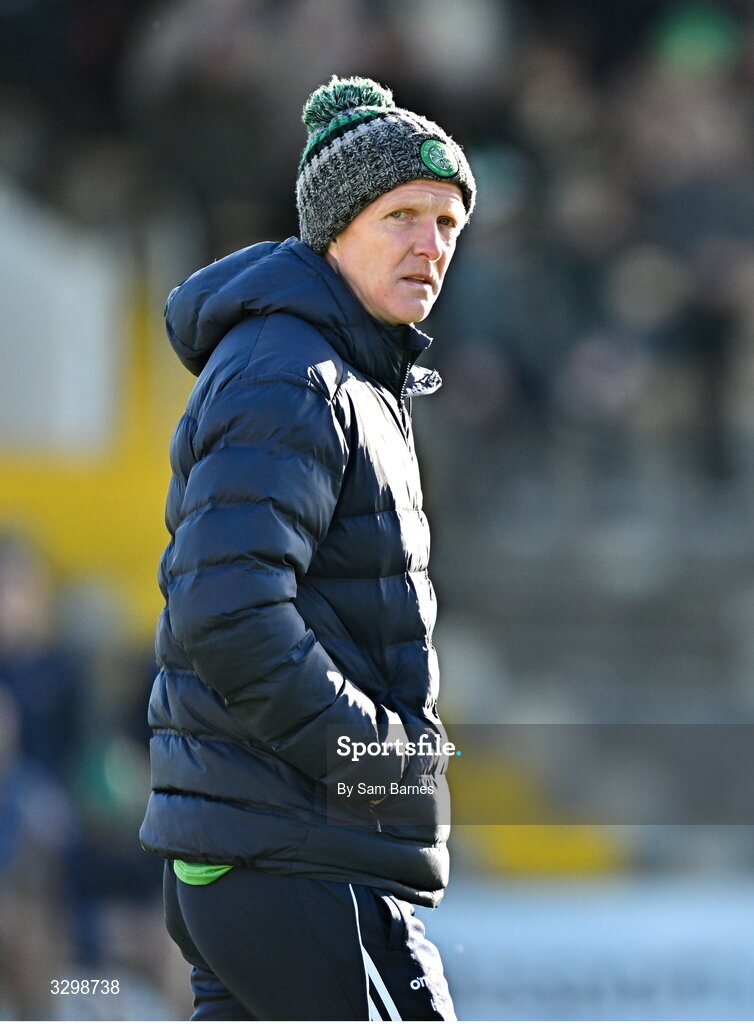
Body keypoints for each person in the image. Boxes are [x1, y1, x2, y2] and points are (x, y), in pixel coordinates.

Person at [140, 74, 476, 1021]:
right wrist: (378, 762)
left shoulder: (346, 369)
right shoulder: (295, 370)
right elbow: (227, 614)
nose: (430, 245)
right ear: (335, 228)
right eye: (401, 215)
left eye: (448, 222)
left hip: (264, 850)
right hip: (298, 855)